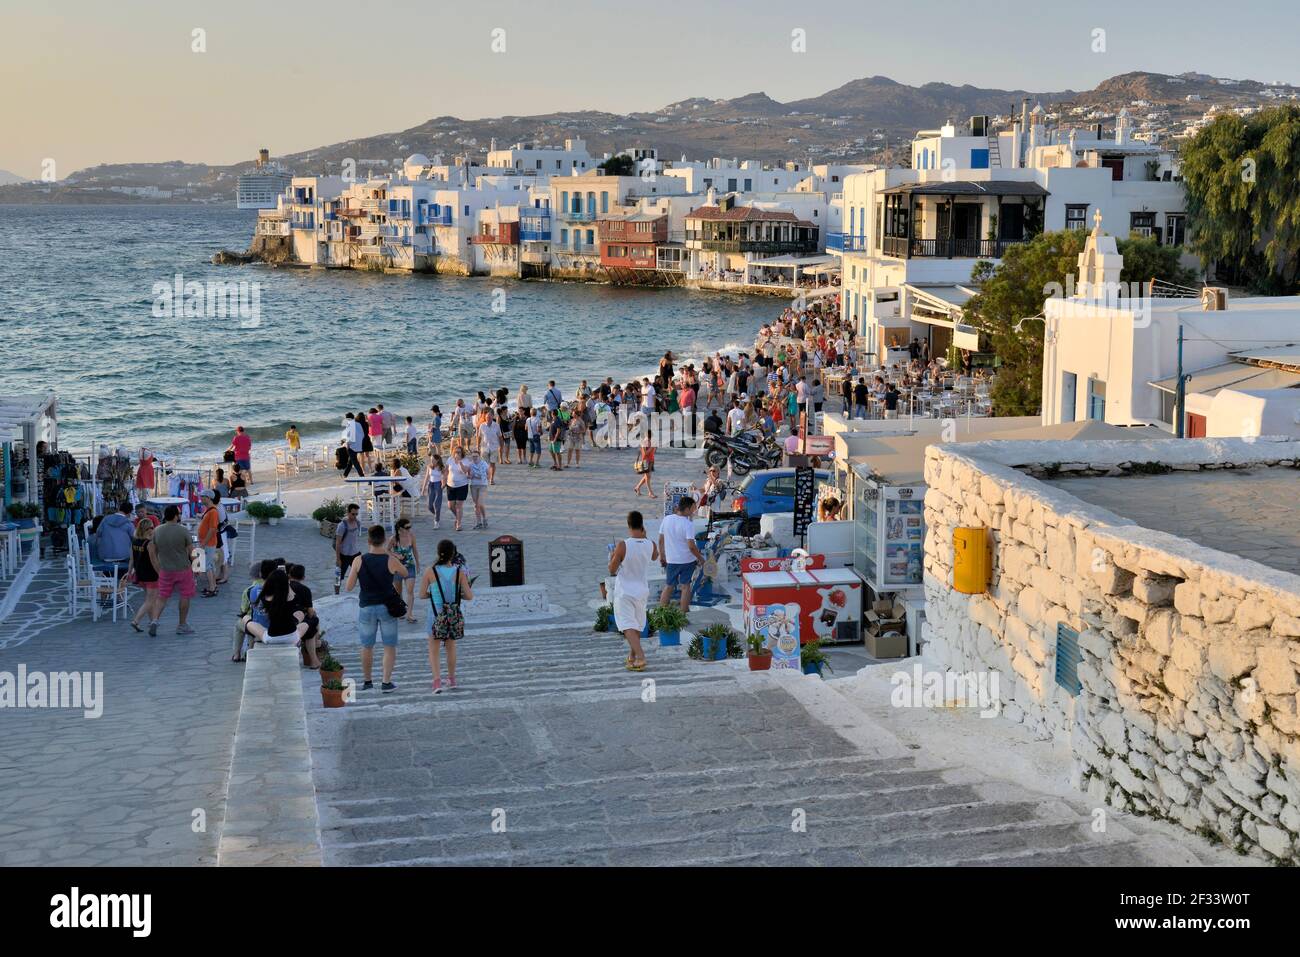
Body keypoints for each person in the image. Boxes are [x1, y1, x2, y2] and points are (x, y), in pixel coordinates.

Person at [345, 524, 408, 693]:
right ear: (384, 540)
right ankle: (386, 682)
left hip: (366, 606)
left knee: (367, 646)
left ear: (368, 541)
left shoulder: (359, 560)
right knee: (389, 646)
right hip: (387, 607)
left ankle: (367, 681)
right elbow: (405, 573)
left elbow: (349, 587)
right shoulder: (390, 560)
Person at [419, 538, 474, 694]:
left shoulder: (430, 571)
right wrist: (458, 595)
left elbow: (422, 594)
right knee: (451, 647)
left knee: (434, 648)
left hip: (435, 614)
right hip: (452, 614)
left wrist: (433, 594)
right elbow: (469, 596)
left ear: (438, 553)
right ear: (453, 555)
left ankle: (437, 682)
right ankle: (452, 678)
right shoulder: (460, 573)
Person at [608, 509, 657, 672]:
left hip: (625, 591)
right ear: (642, 525)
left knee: (627, 625)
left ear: (628, 525)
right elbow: (655, 556)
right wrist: (646, 538)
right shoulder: (651, 544)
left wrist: (613, 554)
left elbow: (612, 569)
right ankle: (632, 656)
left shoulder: (623, 545)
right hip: (642, 590)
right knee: (635, 625)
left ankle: (641, 656)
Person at [148, 505, 197, 636]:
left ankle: (154, 620)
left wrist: (158, 568)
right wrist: (198, 567)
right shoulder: (183, 531)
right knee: (185, 595)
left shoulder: (157, 531)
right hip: (183, 569)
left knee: (162, 597)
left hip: (165, 569)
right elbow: (192, 552)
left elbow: (152, 552)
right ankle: (182, 624)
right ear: (176, 515)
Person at [658, 495, 702, 612]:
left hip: (672, 560)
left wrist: (662, 556)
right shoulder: (688, 525)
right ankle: (683, 613)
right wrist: (701, 559)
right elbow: (691, 546)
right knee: (685, 586)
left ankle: (661, 613)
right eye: (693, 508)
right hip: (687, 560)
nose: (694, 510)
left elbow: (661, 540)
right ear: (687, 509)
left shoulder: (667, 519)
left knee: (669, 586)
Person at [127, 519, 160, 634]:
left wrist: (129, 571)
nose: (153, 529)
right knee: (150, 600)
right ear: (147, 529)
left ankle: (152, 622)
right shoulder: (149, 544)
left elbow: (131, 559)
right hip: (151, 574)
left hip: (140, 573)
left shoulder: (135, 541)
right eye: (152, 527)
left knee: (149, 599)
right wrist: (161, 574)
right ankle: (136, 621)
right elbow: (154, 561)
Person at [389, 518, 421, 623]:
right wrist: (396, 555)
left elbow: (415, 550)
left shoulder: (411, 536)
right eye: (407, 527)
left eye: (410, 527)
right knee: (398, 592)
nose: (409, 529)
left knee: (410, 590)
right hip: (397, 568)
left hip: (409, 566)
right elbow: (386, 551)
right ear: (400, 528)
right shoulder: (393, 539)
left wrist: (418, 564)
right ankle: (401, 610)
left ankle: (409, 614)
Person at [93, 501, 134, 570]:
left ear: (119, 509)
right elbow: (134, 538)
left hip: (105, 555)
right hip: (124, 556)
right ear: (129, 513)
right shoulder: (128, 523)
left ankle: (109, 579)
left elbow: (98, 533)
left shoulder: (105, 519)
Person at [197, 490, 222, 597]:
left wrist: (204, 542)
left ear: (208, 498)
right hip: (207, 542)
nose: (201, 498)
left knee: (207, 566)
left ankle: (212, 588)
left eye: (203, 497)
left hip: (209, 543)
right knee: (209, 565)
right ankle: (213, 586)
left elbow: (212, 529)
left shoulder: (213, 512)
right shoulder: (209, 510)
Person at [334, 502, 362, 582]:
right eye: (353, 514)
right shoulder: (342, 525)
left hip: (355, 554)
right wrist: (338, 559)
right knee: (338, 577)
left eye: (356, 514)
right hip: (344, 555)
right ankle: (336, 593)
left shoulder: (358, 523)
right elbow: (337, 543)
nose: (355, 516)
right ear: (348, 513)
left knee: (362, 574)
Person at [445, 445, 471, 532]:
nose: (457, 453)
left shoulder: (466, 461)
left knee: (459, 506)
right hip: (450, 485)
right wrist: (443, 481)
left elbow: (465, 471)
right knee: (450, 505)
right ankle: (458, 517)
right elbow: (446, 471)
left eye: (459, 452)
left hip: (462, 486)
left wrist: (460, 462)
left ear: (462, 453)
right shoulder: (450, 459)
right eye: (456, 452)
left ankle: (459, 524)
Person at [420, 453, 445, 529]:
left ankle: (436, 521)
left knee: (437, 504)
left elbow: (444, 477)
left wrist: (443, 484)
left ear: (437, 460)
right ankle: (437, 515)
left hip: (438, 485)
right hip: (431, 485)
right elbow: (426, 478)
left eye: (433, 460)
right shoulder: (429, 466)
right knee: (430, 506)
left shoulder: (442, 467)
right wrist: (423, 489)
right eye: (431, 460)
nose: (432, 461)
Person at [477, 410, 502, 484]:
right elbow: (479, 437)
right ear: (485, 417)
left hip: (494, 447)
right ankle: (485, 477)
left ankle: (492, 479)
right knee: (484, 464)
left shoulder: (496, 425)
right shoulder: (482, 426)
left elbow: (500, 436)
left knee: (492, 464)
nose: (488, 418)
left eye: (490, 417)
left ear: (492, 417)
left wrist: (501, 446)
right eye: (487, 417)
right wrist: (477, 446)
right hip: (484, 448)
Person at [467, 449, 490, 530]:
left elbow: (488, 475)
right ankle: (478, 522)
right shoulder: (470, 464)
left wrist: (483, 477)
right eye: (473, 456)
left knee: (479, 504)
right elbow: (468, 476)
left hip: (482, 485)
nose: (474, 458)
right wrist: (470, 476)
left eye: (476, 456)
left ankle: (484, 518)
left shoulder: (484, 464)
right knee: (476, 505)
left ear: (479, 456)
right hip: (473, 485)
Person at [342, 413, 365, 478]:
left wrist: (346, 443)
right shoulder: (358, 424)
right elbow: (363, 435)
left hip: (351, 446)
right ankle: (345, 475)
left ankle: (362, 476)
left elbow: (349, 437)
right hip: (359, 445)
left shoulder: (349, 425)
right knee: (351, 461)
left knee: (355, 462)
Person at [633, 433, 655, 497]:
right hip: (645, 461)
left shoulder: (651, 442)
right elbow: (645, 453)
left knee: (647, 477)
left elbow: (653, 452)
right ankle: (650, 492)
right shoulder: (644, 442)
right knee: (648, 477)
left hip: (651, 461)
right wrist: (652, 447)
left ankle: (637, 487)